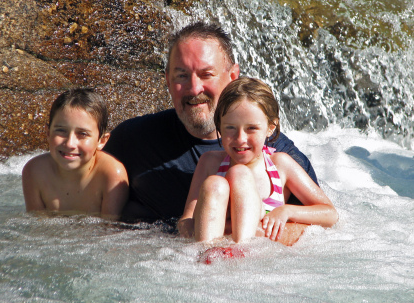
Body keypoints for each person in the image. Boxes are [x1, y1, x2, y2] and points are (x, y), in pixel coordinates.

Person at [103, 21, 317, 225]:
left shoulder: (278, 153)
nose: (194, 89)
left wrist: (247, 235)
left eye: (206, 74)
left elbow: (319, 231)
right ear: (167, 80)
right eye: (182, 76)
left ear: (233, 76)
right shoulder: (133, 140)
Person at [179, 77, 338, 244]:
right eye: (230, 128)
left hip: (257, 256)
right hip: (215, 250)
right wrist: (198, 227)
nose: (240, 138)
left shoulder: (280, 165)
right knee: (215, 184)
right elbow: (186, 219)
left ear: (271, 127)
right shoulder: (209, 162)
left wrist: (287, 211)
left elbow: (330, 214)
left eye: (252, 128)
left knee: (239, 174)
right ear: (219, 126)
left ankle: (242, 249)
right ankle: (206, 253)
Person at [22, 88, 129, 219]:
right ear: (48, 133)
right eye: (61, 131)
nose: (69, 143)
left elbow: (110, 230)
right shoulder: (34, 171)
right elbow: (36, 228)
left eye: (82, 134)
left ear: (101, 141)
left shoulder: (111, 174)